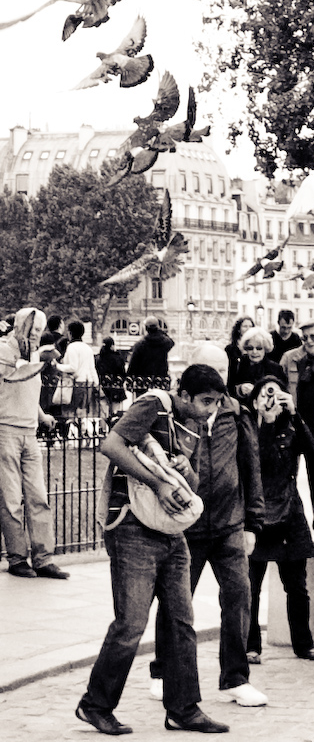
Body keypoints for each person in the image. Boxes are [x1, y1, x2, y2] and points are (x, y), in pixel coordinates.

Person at [76, 365, 230, 736]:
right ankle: (95, 705)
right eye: (205, 401)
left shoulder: (194, 424)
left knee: (181, 620)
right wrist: (157, 484)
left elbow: (191, 480)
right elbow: (110, 445)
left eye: (216, 403)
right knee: (131, 623)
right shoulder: (153, 405)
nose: (210, 409)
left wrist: (183, 472)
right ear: (184, 393)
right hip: (132, 525)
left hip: (170, 531)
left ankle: (183, 709)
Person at [151, 349, 267, 708]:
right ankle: (163, 672)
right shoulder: (179, 414)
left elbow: (251, 467)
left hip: (230, 522)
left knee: (239, 595)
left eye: (223, 369)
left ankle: (235, 676)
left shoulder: (236, 412)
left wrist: (253, 521)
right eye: (211, 370)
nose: (218, 377)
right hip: (188, 524)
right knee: (174, 603)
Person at [246, 375, 314, 662]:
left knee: (297, 587)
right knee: (251, 587)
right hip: (258, 514)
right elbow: (258, 461)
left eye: (276, 395)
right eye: (265, 396)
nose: (271, 402)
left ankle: (303, 644)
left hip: (289, 513)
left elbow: (313, 450)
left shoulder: (291, 426)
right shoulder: (249, 428)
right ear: (254, 402)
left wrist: (294, 413)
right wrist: (265, 423)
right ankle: (251, 646)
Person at [0, 307, 69, 580]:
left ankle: (43, 558)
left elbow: (27, 387)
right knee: (10, 499)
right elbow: (15, 377)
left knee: (38, 497)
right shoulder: (4, 351)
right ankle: (17, 558)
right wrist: (38, 358)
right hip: (5, 430)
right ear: (20, 327)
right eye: (34, 331)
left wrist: (41, 415)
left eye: (40, 332)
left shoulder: (32, 354)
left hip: (29, 431)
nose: (37, 336)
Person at [232, 326, 287, 405]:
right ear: (246, 349)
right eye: (250, 348)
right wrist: (240, 390)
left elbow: (283, 394)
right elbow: (228, 390)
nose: (254, 352)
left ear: (265, 348)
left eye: (259, 348)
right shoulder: (238, 366)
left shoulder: (276, 369)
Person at [126, 316, 174, 397]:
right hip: (160, 379)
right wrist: (160, 331)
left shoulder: (140, 344)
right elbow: (171, 342)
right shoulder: (165, 342)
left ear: (146, 328)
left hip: (143, 381)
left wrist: (129, 378)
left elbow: (133, 363)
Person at [64, 320, 100, 415]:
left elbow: (73, 367)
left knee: (70, 411)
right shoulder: (87, 348)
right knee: (83, 412)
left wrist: (58, 366)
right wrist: (96, 383)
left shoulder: (71, 347)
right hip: (88, 383)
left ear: (70, 333)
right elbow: (92, 368)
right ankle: (82, 429)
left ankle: (72, 429)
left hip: (76, 383)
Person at [95, 337, 127, 416]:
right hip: (116, 387)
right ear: (112, 346)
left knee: (103, 412)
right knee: (115, 411)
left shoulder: (98, 358)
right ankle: (113, 426)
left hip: (102, 387)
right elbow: (123, 374)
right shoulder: (118, 358)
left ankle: (102, 428)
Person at [225, 316, 255, 395]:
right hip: (234, 389)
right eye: (245, 326)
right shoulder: (230, 349)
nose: (248, 329)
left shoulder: (257, 349)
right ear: (238, 329)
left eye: (251, 326)